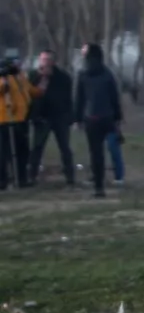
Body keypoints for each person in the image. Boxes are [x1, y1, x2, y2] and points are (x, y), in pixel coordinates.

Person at [73, 43, 123, 198]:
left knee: (96, 152)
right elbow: (114, 97)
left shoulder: (83, 75)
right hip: (107, 117)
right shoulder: (108, 74)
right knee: (113, 147)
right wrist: (117, 117)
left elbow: (79, 99)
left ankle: (98, 186)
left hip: (91, 118)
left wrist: (77, 118)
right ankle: (119, 175)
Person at [27, 50, 76, 187]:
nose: (45, 63)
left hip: (60, 116)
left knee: (65, 147)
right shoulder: (33, 75)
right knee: (37, 147)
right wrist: (40, 78)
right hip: (42, 117)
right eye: (42, 59)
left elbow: (68, 99)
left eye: (48, 60)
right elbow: (29, 93)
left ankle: (70, 176)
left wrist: (70, 116)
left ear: (53, 62)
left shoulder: (63, 77)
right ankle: (32, 176)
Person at [0, 58, 35, 191]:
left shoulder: (19, 78)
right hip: (4, 120)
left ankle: (21, 178)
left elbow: (30, 91)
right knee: (4, 152)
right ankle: (3, 180)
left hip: (20, 119)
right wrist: (3, 80)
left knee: (22, 151)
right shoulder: (3, 79)